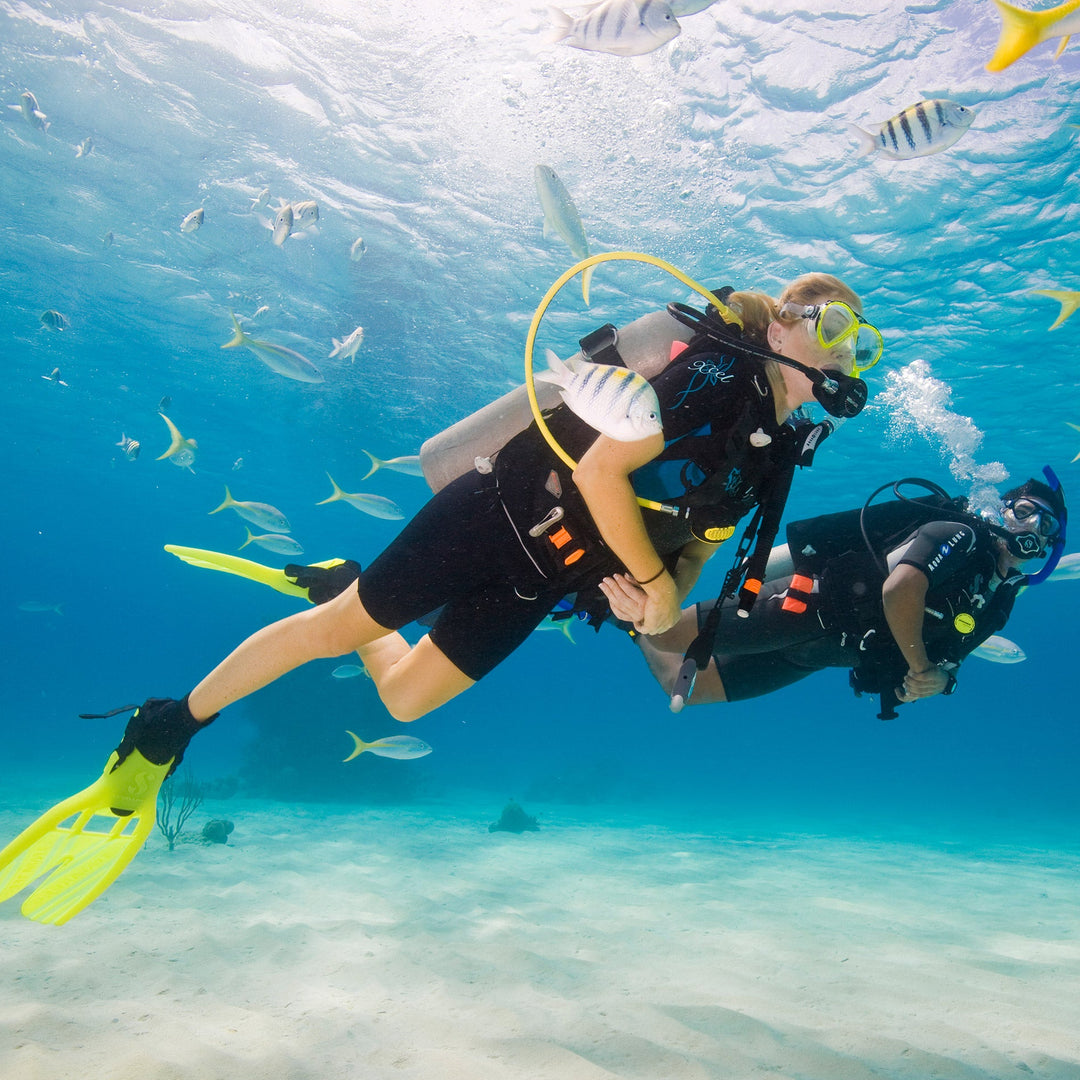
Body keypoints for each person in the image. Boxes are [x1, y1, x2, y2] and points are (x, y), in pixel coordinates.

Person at [0, 270, 882, 924]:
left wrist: (654, 607)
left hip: (546, 582)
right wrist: (652, 583)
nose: (846, 349)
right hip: (495, 513)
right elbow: (601, 467)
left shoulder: (772, 456)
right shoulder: (715, 373)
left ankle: (346, 577)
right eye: (835, 325)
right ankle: (166, 730)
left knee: (407, 698)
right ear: (788, 321)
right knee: (335, 632)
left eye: (862, 342)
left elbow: (696, 555)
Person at [600, 474, 1067, 719]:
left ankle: (624, 619)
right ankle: (616, 588)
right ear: (1001, 510)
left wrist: (939, 681)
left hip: (827, 653)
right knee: (665, 635)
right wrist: (922, 667)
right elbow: (902, 588)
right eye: (1024, 512)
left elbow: (954, 653)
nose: (1031, 528)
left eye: (1045, 526)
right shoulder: (959, 534)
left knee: (688, 689)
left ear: (1050, 547)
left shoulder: (1001, 596)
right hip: (808, 608)